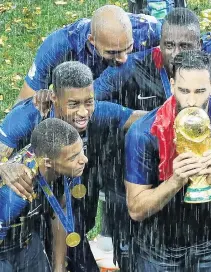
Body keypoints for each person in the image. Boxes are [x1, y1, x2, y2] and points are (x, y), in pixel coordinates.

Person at [0, 61, 143, 272]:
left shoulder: (94, 115)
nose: (84, 112)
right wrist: (3, 167)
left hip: (49, 220)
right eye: (74, 104)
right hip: (16, 225)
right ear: (54, 98)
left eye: (89, 102)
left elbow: (142, 118)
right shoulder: (26, 118)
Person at [124, 50, 211, 271]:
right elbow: (136, 209)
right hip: (159, 246)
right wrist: (175, 181)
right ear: (173, 85)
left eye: (200, 91)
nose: (192, 101)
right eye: (184, 91)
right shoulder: (144, 133)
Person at [17, 5, 161, 102]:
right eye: (112, 52)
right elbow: (25, 103)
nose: (123, 58)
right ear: (92, 40)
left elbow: (180, 39)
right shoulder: (58, 46)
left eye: (128, 47)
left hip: (135, 98)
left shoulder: (148, 29)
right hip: (81, 107)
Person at [0, 118, 88, 272]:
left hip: (27, 241)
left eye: (81, 151)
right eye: (74, 157)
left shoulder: (64, 162)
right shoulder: (16, 192)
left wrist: (59, 267)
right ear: (48, 162)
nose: (84, 160)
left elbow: (59, 211)